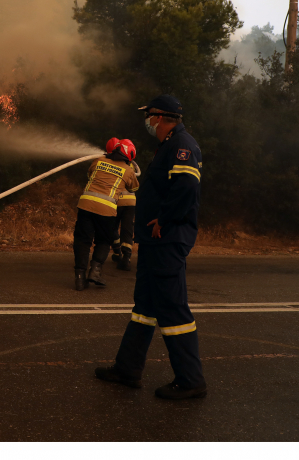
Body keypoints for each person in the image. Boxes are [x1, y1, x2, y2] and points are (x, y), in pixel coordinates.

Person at [95, 94, 207, 400]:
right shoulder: (168, 145)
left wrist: (164, 220)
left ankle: (190, 379)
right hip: (154, 241)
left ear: (159, 117)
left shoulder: (182, 145)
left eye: (149, 116)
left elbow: (185, 188)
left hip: (167, 240)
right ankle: (127, 369)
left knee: (171, 307)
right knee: (144, 307)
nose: (147, 121)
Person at [73, 138, 140, 290]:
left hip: (85, 204)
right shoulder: (129, 170)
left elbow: (90, 175)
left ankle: (79, 277)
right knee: (103, 241)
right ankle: (95, 272)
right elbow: (134, 189)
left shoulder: (98, 160)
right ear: (129, 156)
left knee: (83, 240)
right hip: (107, 209)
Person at [111, 144, 140, 272]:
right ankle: (126, 258)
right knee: (127, 230)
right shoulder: (132, 165)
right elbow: (134, 187)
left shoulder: (112, 163)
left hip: (116, 202)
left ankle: (117, 252)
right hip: (130, 203)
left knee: (112, 227)